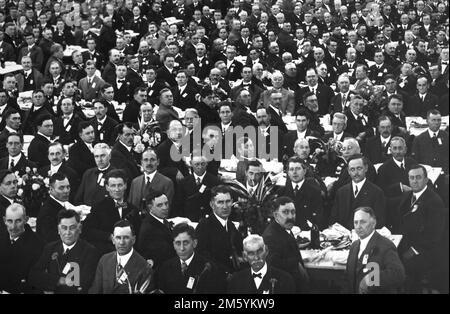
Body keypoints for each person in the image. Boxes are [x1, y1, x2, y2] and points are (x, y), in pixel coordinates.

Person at [395, 165, 446, 293]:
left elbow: (433, 236)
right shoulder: (407, 196)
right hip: (405, 244)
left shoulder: (434, 201)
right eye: (411, 178)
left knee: (398, 265)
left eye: (418, 177)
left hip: (424, 250)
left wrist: (412, 251)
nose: (415, 181)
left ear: (426, 179)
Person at [29, 210, 100, 294]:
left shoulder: (90, 252)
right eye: (64, 228)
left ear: (80, 229)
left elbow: (82, 285)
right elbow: (33, 276)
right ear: (58, 230)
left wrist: (50, 285)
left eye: (72, 228)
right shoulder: (50, 248)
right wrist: (59, 280)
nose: (68, 232)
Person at [346, 207, 405, 294]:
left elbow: (398, 274)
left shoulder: (386, 245)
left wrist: (371, 279)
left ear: (373, 224)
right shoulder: (354, 246)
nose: (358, 226)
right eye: (355, 222)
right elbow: (347, 278)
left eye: (363, 222)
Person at [155, 222, 227, 294]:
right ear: (173, 245)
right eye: (178, 243)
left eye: (186, 243)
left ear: (195, 243)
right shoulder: (165, 268)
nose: (182, 248)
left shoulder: (209, 268)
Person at [83, 169, 140, 255]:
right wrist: (109, 236)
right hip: (106, 253)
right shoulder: (98, 207)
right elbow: (88, 230)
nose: (117, 189)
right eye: (113, 186)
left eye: (120, 185)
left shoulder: (133, 209)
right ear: (107, 187)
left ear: (125, 186)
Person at [89, 220, 153, 294]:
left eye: (126, 238)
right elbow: (95, 290)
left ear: (133, 240)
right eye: (118, 238)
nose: (121, 242)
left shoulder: (145, 268)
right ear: (113, 240)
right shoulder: (104, 260)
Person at [262, 196, 308, 293]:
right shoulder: (270, 236)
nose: (291, 217)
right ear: (275, 215)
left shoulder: (284, 228)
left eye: (293, 212)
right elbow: (274, 265)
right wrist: (297, 263)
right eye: (285, 212)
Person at [196, 185, 244, 275]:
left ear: (232, 202)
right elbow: (202, 257)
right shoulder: (205, 226)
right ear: (212, 204)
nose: (225, 206)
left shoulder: (231, 226)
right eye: (220, 202)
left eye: (228, 201)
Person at [330, 155, 386, 229]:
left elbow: (379, 222)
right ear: (348, 171)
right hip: (343, 237)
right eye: (352, 169)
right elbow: (334, 219)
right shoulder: (341, 192)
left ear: (366, 168)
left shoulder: (377, 192)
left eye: (359, 168)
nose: (356, 173)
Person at [228, 234, 295, 294]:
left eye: (259, 252)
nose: (256, 257)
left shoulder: (285, 279)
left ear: (266, 251)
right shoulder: (235, 281)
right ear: (245, 256)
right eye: (251, 253)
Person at [0, 203, 44, 293]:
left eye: (18, 221)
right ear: (4, 220)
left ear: (26, 220)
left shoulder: (38, 245)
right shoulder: (1, 238)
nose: (13, 227)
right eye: (9, 221)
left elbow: (35, 283)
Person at [276, 157, 324, 230]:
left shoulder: (314, 191)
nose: (294, 172)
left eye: (298, 169)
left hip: (306, 232)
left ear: (304, 171)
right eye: (291, 169)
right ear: (288, 173)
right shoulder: (282, 191)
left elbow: (318, 218)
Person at [175, 154, 221, 221]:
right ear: (191, 163)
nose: (200, 167)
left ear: (207, 163)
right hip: (190, 220)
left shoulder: (215, 181)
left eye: (203, 164)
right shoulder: (183, 183)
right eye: (197, 164)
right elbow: (179, 204)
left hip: (209, 220)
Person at [137, 191, 176, 268]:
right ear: (150, 207)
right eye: (160, 205)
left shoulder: (161, 220)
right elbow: (165, 253)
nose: (165, 207)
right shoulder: (149, 229)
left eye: (166, 203)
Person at [36, 173, 71, 243]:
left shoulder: (60, 205)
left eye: (68, 187)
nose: (66, 191)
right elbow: (51, 240)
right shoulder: (47, 212)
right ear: (51, 189)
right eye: (61, 188)